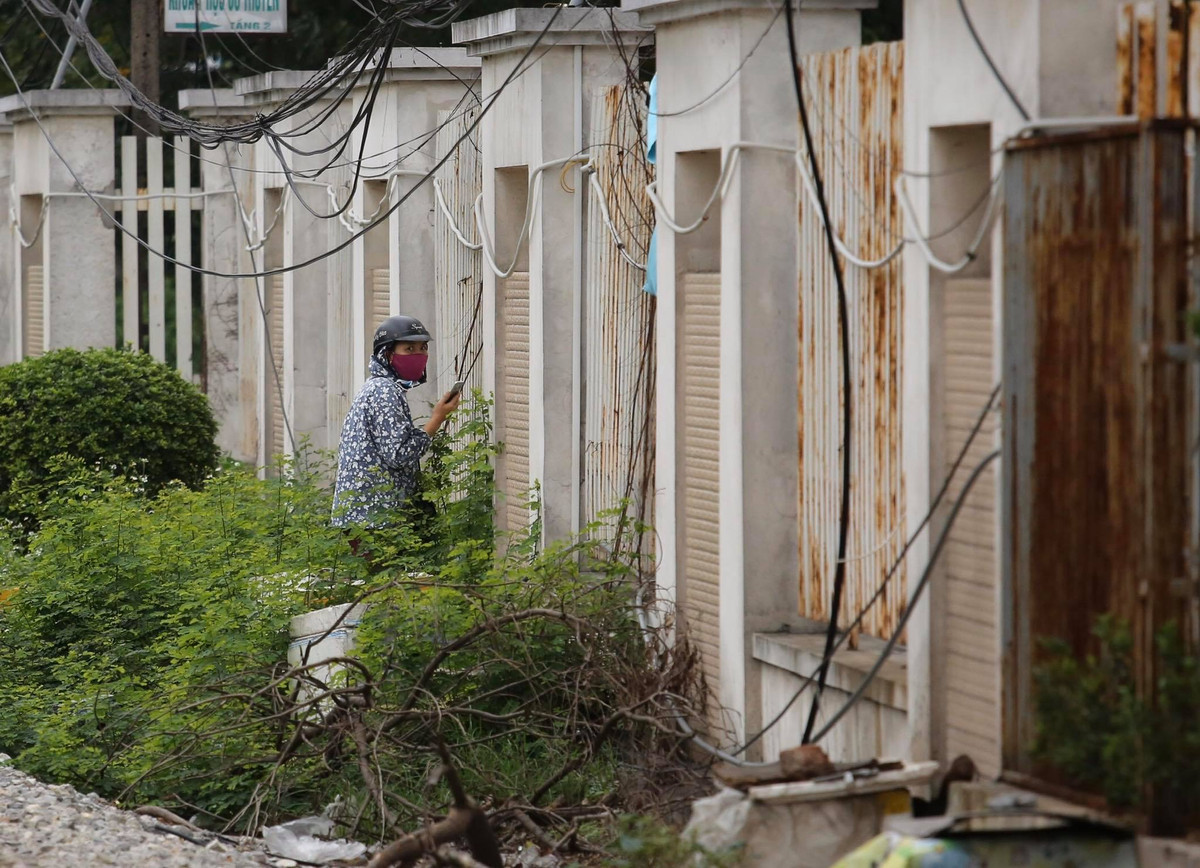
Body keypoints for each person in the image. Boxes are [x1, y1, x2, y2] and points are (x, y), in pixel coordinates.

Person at [331, 314, 461, 531]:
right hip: (374, 519)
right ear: (387, 354)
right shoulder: (385, 392)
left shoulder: (379, 386)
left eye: (423, 348)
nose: (419, 355)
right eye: (409, 349)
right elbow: (399, 454)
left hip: (367, 515)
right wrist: (437, 418)